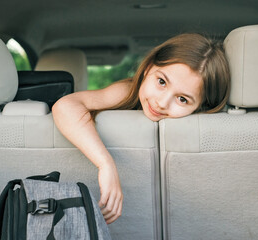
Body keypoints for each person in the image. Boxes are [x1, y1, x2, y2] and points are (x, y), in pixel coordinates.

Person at [52, 33, 231, 224]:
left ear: (202, 107)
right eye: (161, 81)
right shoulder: (126, 92)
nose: (161, 103)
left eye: (182, 99)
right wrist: (106, 164)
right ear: (147, 68)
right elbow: (64, 106)